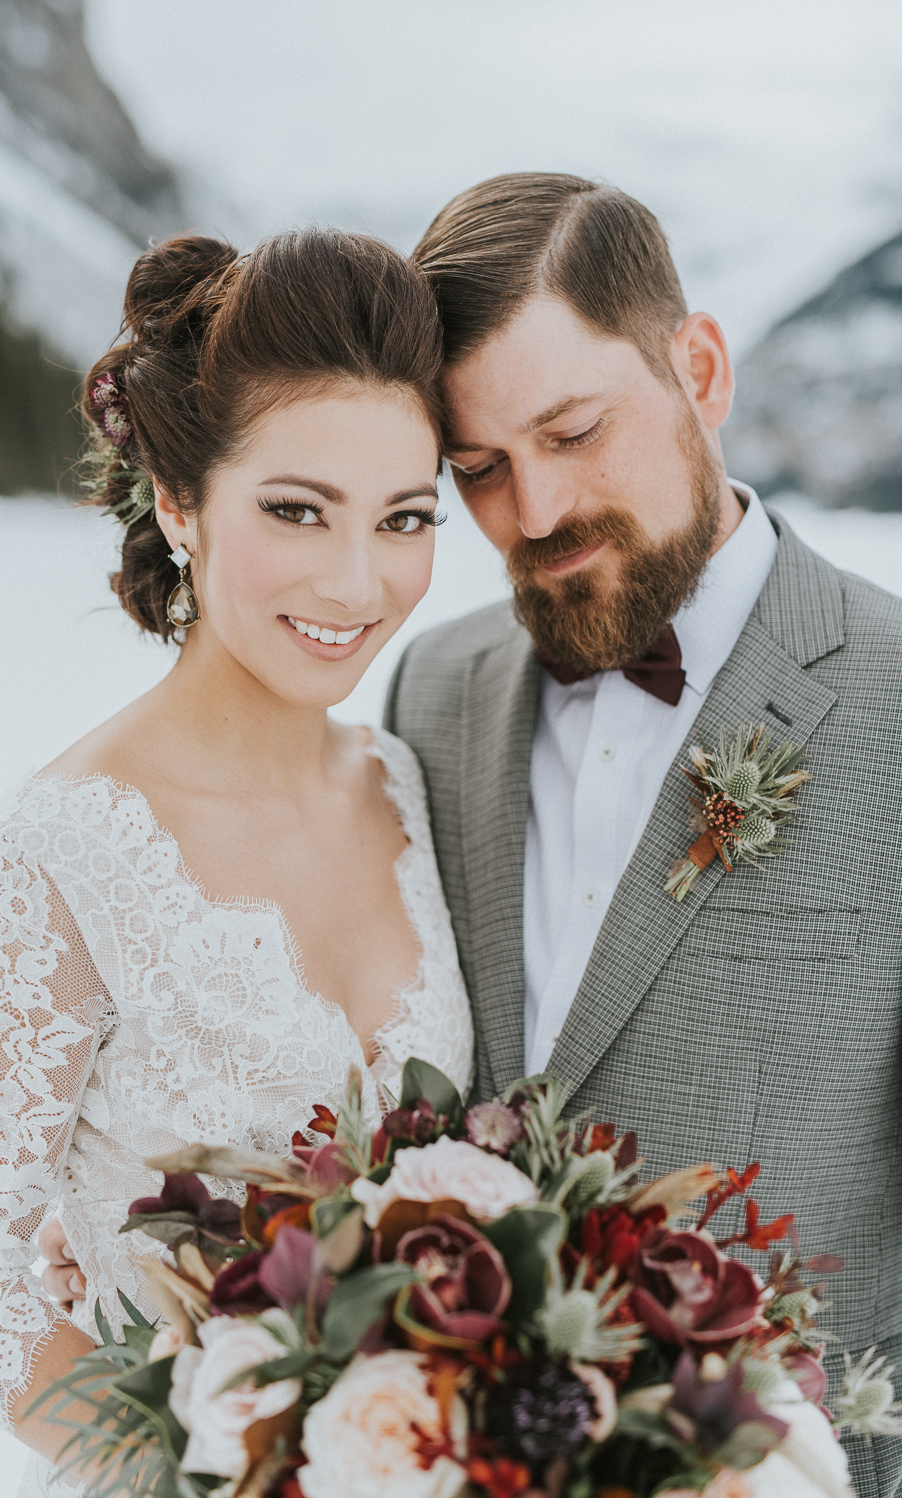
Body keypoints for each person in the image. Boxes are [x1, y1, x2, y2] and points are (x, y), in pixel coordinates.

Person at [0, 228, 473, 1496]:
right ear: (178, 502)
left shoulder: (409, 788)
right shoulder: (44, 857)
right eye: (295, 509)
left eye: (406, 518)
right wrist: (206, 1466)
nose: (358, 578)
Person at [381, 173, 902, 1498]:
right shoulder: (426, 692)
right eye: (480, 469)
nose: (534, 514)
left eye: (573, 430)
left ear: (701, 367)